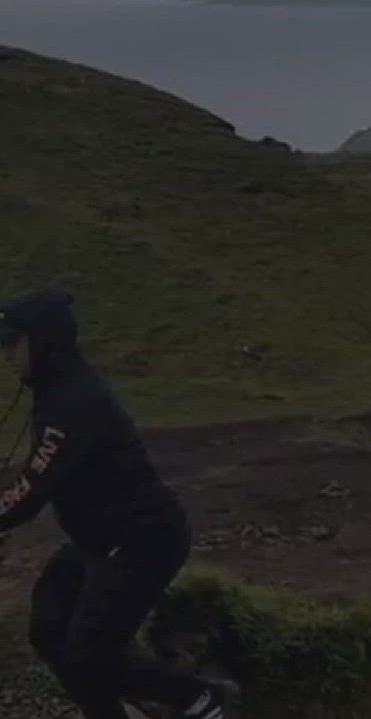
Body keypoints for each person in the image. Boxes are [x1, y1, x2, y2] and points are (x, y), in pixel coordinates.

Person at [0, 288, 237, 719]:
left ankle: (199, 698)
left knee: (91, 657)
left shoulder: (73, 403)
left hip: (142, 540)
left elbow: (33, 487)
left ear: (43, 341)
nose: (7, 354)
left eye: (14, 342)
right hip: (98, 540)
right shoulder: (56, 390)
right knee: (49, 628)